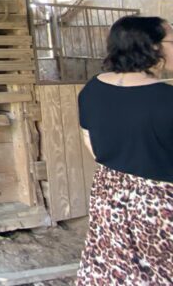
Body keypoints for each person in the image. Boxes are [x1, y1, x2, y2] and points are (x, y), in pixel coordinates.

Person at [76, 15, 173, 285]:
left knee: (113, 267)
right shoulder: (167, 99)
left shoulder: (92, 89)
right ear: (152, 47)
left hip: (109, 195)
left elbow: (93, 148)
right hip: (160, 204)